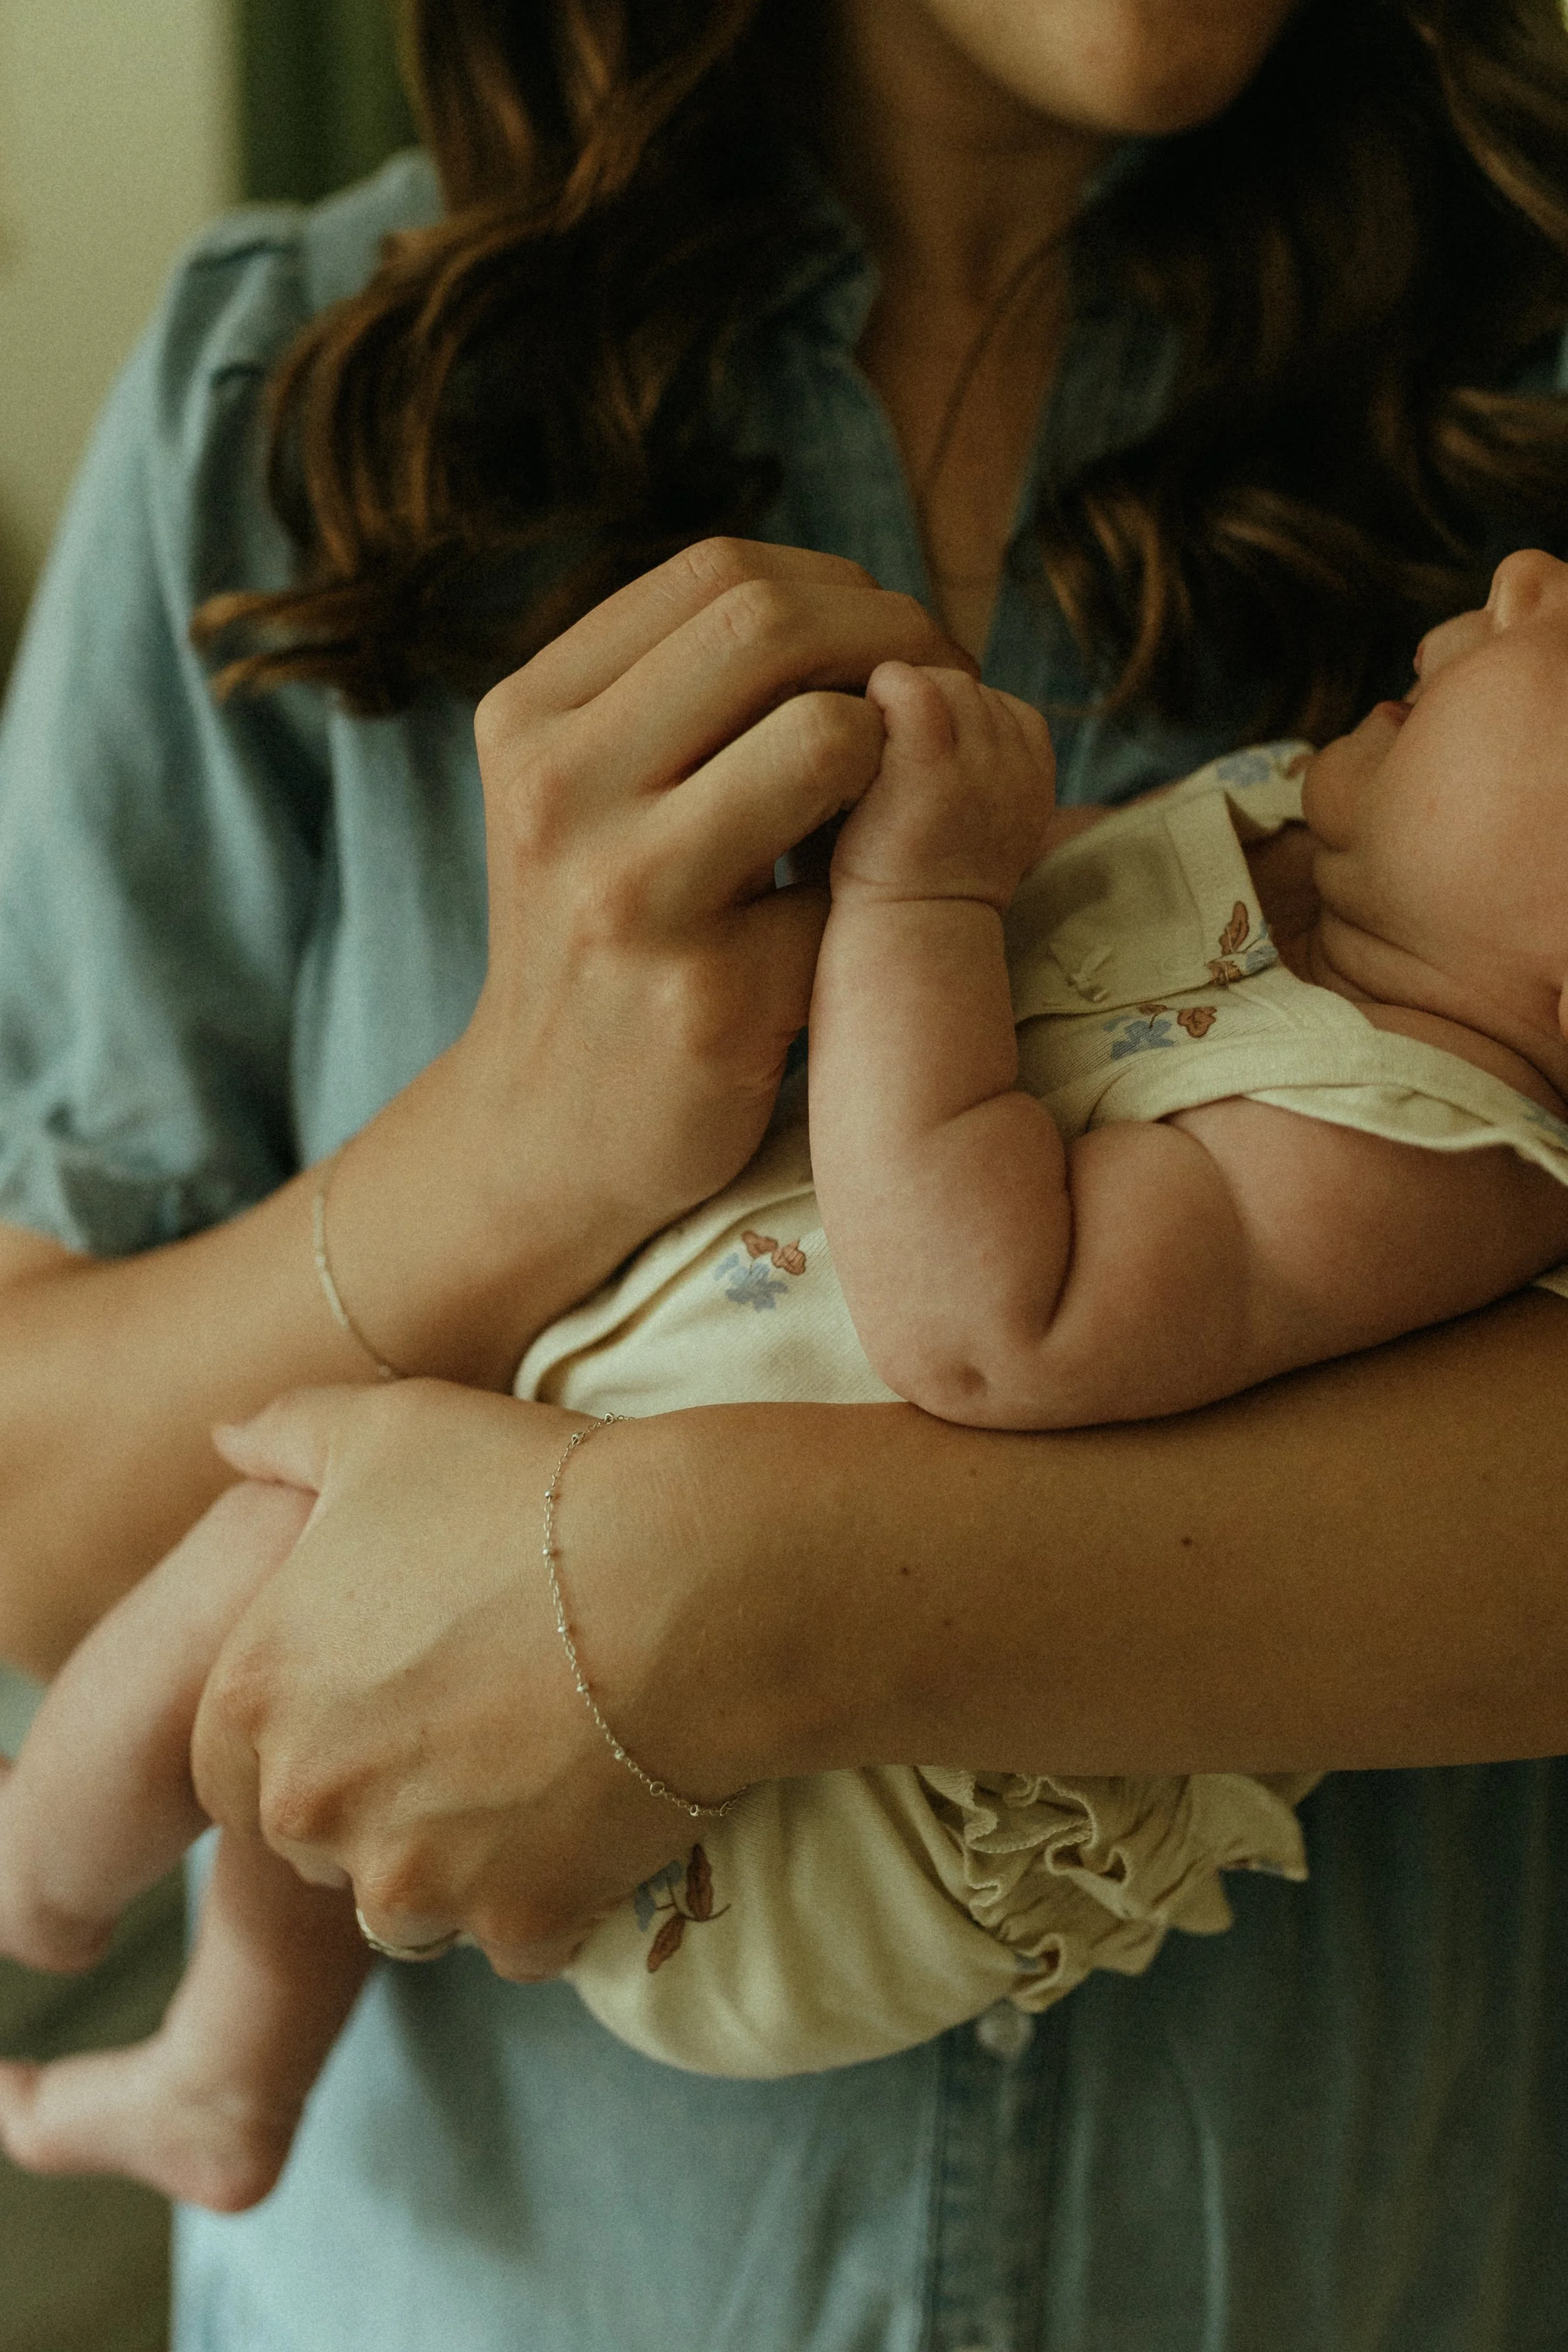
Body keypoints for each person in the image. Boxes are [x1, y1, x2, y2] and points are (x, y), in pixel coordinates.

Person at [3, 1, 1568, 2344]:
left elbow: (992, 1321)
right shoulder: (290, 397)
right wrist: (494, 1158)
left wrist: (717, 1592)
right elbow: (27, 1510)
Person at [8, 559, 1568, 2188]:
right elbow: (1084, 929)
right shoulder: (1298, 839)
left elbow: (989, 1318)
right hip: (604, 1507)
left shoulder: (1414, 1153)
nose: (1524, 580)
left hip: (826, 1830)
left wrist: (919, 902)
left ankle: (37, 1880)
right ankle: (226, 2065)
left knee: (284, 1557)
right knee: (307, 1656)